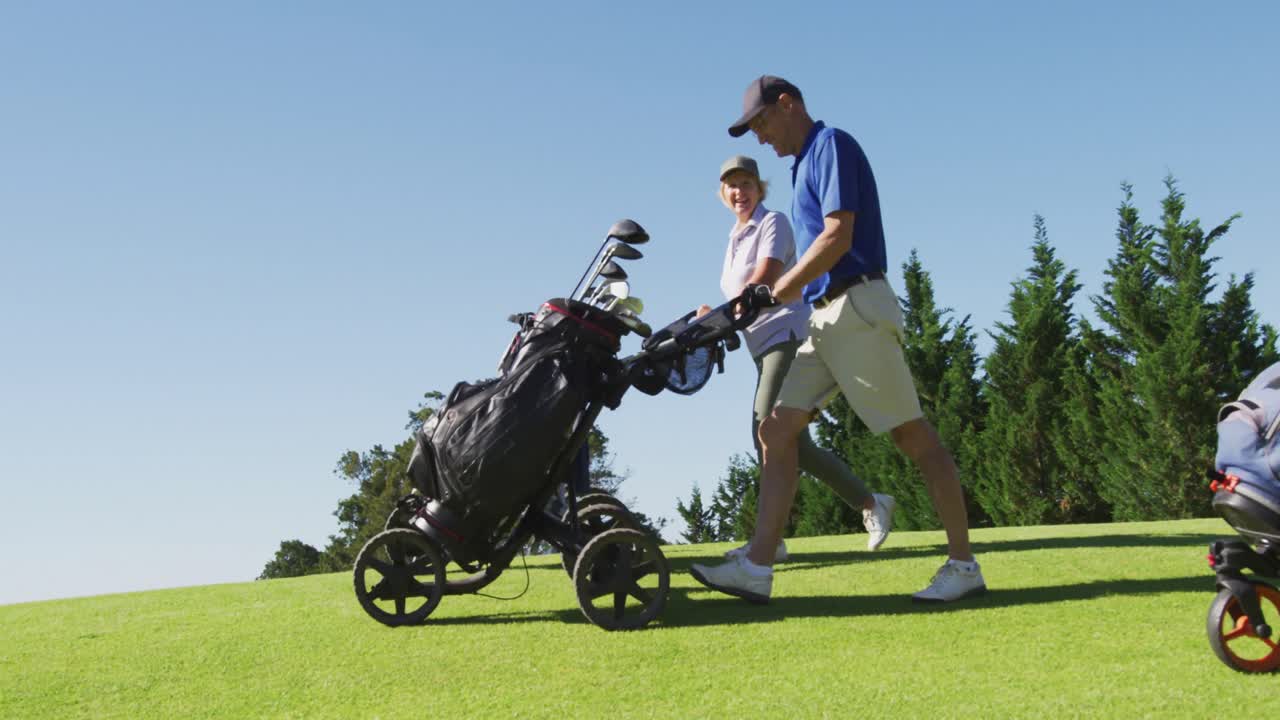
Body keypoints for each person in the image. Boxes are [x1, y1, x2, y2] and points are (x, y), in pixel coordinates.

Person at [691, 75, 986, 604]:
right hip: (823, 319)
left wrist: (779, 289)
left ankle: (963, 566)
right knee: (775, 431)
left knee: (913, 438)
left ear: (788, 104)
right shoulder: (802, 164)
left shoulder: (831, 145)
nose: (760, 137)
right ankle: (757, 567)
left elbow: (837, 235)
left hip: (857, 307)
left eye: (762, 123)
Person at [702, 153, 895, 564]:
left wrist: (722, 316)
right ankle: (870, 502)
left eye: (746, 184)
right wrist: (710, 318)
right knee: (794, 442)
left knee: (765, 427)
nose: (740, 192)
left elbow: (765, 279)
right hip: (760, 346)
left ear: (760, 188)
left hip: (787, 335)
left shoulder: (773, 223)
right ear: (723, 193)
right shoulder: (734, 238)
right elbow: (737, 297)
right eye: (732, 185)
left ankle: (770, 540)